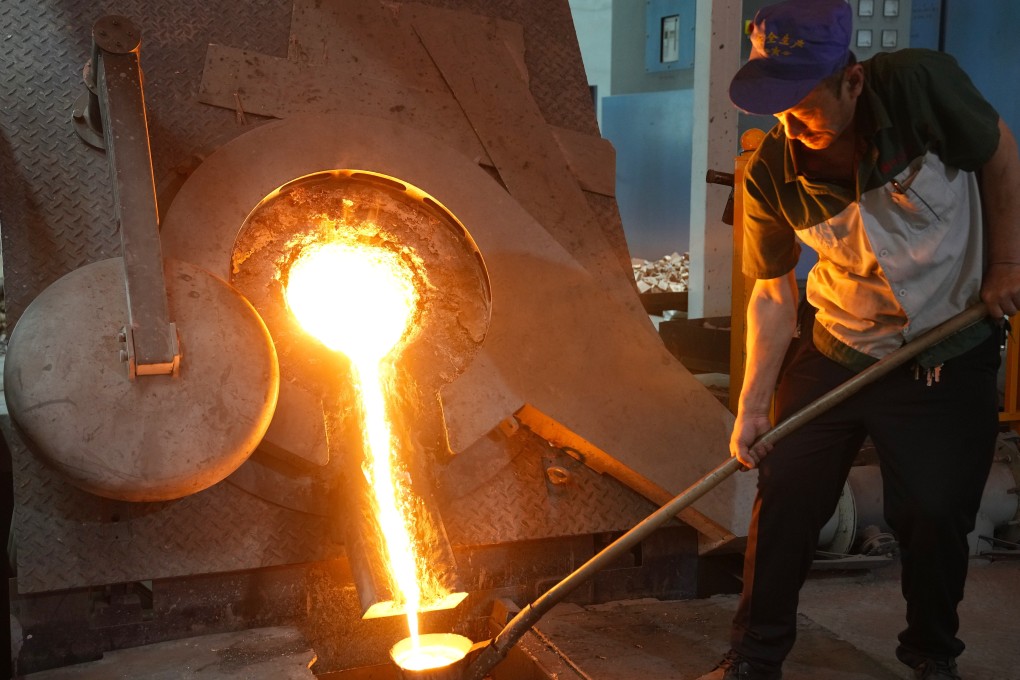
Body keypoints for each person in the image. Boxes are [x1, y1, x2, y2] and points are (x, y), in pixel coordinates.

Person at [698, 1, 1020, 679]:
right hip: (838, 348)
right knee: (786, 492)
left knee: (935, 514)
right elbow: (773, 294)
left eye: (803, 104)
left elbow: (998, 152)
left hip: (943, 347)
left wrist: (1007, 267)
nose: (789, 124)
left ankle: (931, 656)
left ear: (851, 83)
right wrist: (754, 406)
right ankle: (754, 658)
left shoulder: (918, 86)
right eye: (776, 106)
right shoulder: (771, 171)